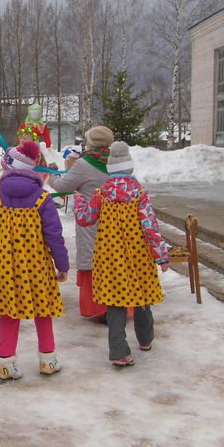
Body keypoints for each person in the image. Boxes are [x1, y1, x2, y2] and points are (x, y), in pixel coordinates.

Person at [74, 141, 171, 367]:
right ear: (129, 168)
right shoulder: (140, 194)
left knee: (115, 302)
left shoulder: (101, 193)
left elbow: (85, 218)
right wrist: (162, 256)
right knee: (142, 296)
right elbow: (150, 227)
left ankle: (119, 351)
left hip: (109, 257)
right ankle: (145, 339)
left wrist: (79, 202)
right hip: (138, 256)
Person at [0, 141, 70, 380]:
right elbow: (53, 235)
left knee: (8, 312)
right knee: (43, 310)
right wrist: (62, 265)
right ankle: (48, 361)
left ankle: (5, 364)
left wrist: (1, 244)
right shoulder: (43, 199)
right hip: (37, 265)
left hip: (4, 264)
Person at [48, 125, 114, 322]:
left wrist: (52, 173)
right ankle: (120, 305)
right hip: (115, 222)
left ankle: (99, 308)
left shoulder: (85, 164)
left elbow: (62, 186)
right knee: (113, 261)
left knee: (94, 260)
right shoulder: (115, 160)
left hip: (91, 219)